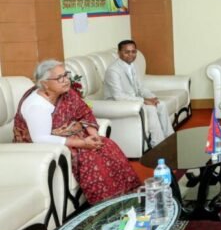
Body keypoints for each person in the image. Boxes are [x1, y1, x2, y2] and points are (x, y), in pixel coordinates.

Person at [13, 60, 141, 204]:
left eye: (66, 75)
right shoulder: (36, 105)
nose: (66, 80)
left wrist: (94, 135)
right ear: (44, 83)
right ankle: (107, 204)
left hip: (72, 136)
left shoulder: (67, 93)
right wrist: (82, 143)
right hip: (43, 145)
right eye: (59, 78)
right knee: (89, 156)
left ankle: (128, 196)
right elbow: (41, 138)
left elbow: (84, 112)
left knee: (106, 144)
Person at [104, 40, 174, 147]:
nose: (131, 55)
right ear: (119, 53)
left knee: (161, 104)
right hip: (117, 103)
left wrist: (152, 97)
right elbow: (118, 96)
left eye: (133, 51)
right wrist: (144, 101)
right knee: (150, 109)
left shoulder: (133, 65)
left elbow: (140, 87)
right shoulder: (113, 70)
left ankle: (170, 138)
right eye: (127, 52)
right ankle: (158, 144)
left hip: (133, 100)